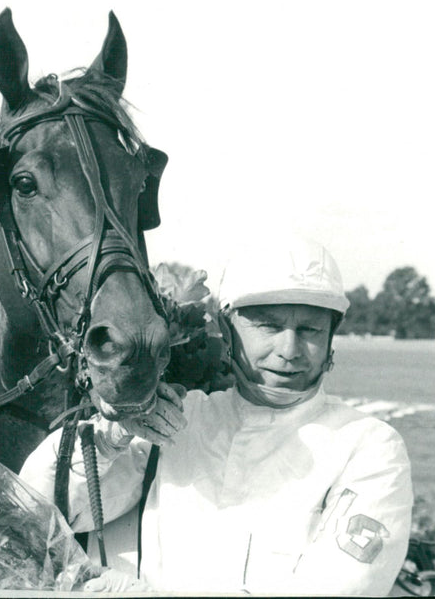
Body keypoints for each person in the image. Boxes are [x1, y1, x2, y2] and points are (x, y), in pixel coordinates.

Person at [21, 236, 413, 595]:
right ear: (227, 329)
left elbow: (343, 587)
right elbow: (38, 512)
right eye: (268, 326)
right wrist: (111, 437)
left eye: (309, 329)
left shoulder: (369, 447)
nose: (289, 349)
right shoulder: (181, 419)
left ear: (331, 338)